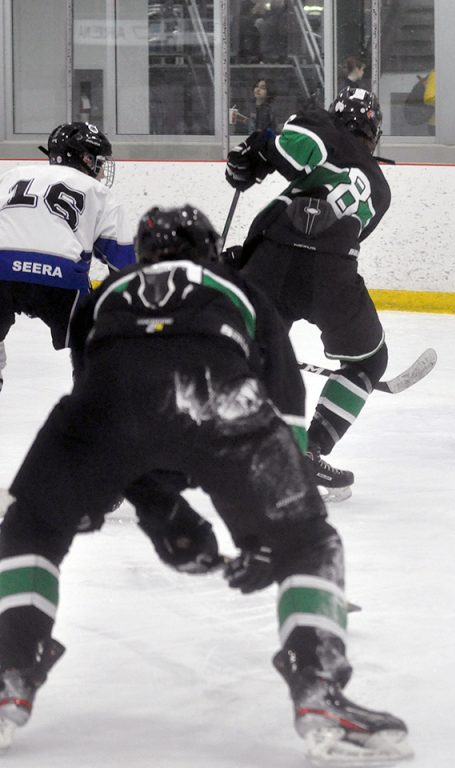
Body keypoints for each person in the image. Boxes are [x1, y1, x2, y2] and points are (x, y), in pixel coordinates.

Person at [0, 205, 412, 763]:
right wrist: (275, 525)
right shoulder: (234, 286)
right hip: (218, 395)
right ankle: (319, 690)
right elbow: (285, 402)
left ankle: (8, 673)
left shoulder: (108, 291)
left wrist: (161, 511)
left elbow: (112, 408)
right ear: (210, 253)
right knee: (310, 542)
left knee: (30, 528)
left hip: (100, 407)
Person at [223, 85, 391, 498]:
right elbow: (343, 229)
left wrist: (255, 152)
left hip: (271, 259)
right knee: (369, 361)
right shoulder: (380, 188)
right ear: (373, 132)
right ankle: (309, 448)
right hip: (329, 275)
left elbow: (296, 149)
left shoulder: (320, 123)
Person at [0, 122, 135, 394]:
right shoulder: (98, 192)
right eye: (98, 161)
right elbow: (124, 267)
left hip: (1, 268)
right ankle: (90, 395)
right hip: (59, 276)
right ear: (84, 158)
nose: (100, 169)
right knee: (90, 340)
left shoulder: (12, 175)